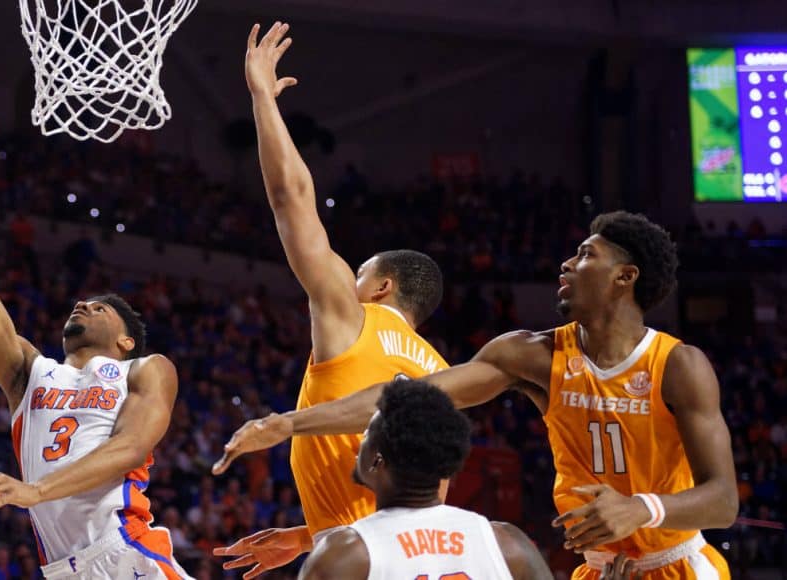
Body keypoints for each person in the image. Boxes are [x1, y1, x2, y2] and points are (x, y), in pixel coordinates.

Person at [217, 212, 738, 578]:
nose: (566, 265)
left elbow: (723, 501)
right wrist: (288, 423)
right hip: (597, 569)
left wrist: (639, 510)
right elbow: (398, 399)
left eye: (585, 256)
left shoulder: (679, 365)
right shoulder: (529, 355)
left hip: (676, 563)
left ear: (625, 277)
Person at [0, 104, 188, 580]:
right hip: (62, 569)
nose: (83, 305)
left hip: (126, 550)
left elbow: (130, 448)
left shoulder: (145, 370)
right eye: (82, 303)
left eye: (100, 306)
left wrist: (37, 492)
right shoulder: (30, 372)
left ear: (127, 340)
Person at [212, 21, 449, 579]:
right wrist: (307, 534)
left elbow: (290, 198)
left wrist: (263, 100)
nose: (351, 277)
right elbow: (423, 496)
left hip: (361, 559)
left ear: (382, 287)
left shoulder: (354, 315)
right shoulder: (444, 374)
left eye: (361, 272)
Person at [299, 380, 551, 579]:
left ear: (377, 460)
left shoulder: (344, 555)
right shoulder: (508, 544)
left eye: (366, 434)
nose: (358, 441)